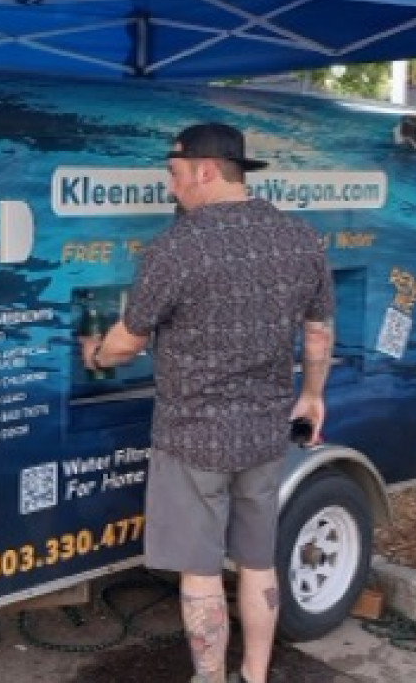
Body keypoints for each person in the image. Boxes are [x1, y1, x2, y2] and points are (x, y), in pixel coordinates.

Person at [79, 123, 334, 683]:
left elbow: (130, 340)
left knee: (199, 572)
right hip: (265, 432)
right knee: (259, 563)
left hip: (192, 436)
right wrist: (312, 395)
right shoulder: (300, 238)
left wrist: (95, 353)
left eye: (174, 175)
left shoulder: (179, 247)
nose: (172, 188)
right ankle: (257, 675)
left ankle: (211, 677)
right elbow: (318, 330)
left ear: (206, 170)